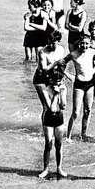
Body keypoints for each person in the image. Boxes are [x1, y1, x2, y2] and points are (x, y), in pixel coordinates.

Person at [34, 40, 68, 179]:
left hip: (59, 118)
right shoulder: (45, 89)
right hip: (49, 117)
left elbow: (63, 106)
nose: (57, 84)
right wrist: (55, 94)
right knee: (48, 144)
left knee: (59, 144)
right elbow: (50, 107)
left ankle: (59, 168)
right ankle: (46, 168)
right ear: (51, 81)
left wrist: (61, 92)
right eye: (55, 81)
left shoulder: (63, 88)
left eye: (59, 82)